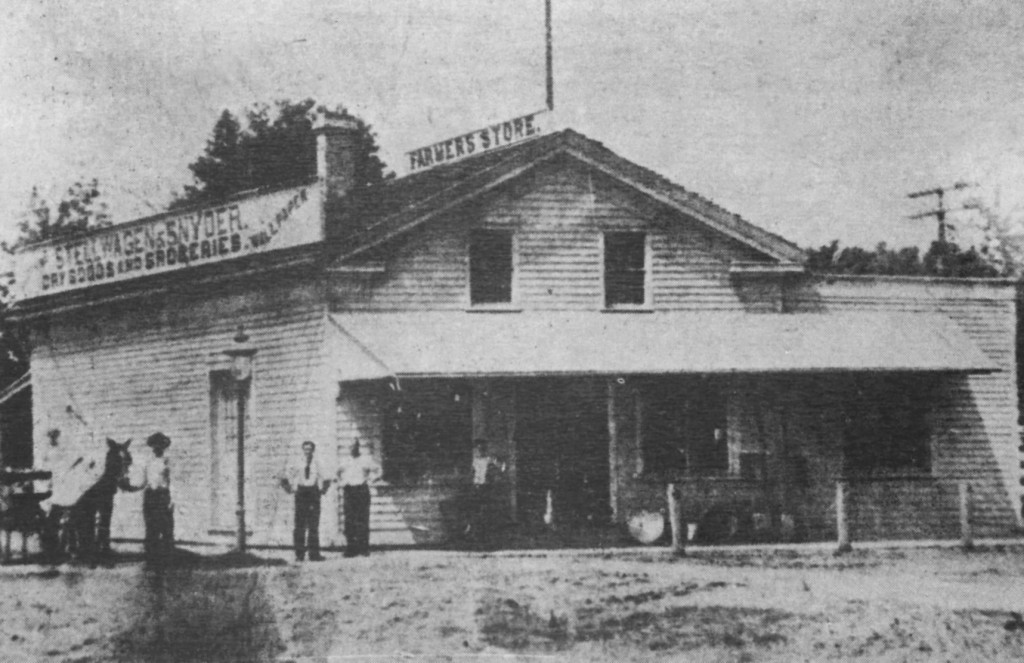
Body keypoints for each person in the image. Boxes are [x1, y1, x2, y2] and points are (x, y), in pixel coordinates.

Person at [280, 440, 331, 561]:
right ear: (303, 450)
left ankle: (314, 554)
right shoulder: (297, 463)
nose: (307, 451)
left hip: (313, 493)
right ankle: (299, 554)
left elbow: (327, 478)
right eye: (305, 449)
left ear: (313, 450)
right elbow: (285, 477)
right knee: (299, 525)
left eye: (310, 449)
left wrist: (322, 491)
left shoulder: (318, 463)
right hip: (301, 493)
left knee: (313, 525)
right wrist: (290, 489)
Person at [337, 439, 379, 557]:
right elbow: (336, 473)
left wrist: (371, 479)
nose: (352, 448)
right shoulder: (344, 461)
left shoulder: (366, 459)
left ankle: (363, 548)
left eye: (354, 446)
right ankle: (351, 548)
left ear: (358, 446)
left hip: (362, 490)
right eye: (350, 446)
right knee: (349, 520)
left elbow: (378, 470)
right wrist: (342, 482)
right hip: (349, 490)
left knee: (362, 519)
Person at [138, 432, 174, 561]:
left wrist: (172, 500)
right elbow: (143, 481)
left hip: (163, 495)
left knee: (165, 526)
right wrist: (134, 488)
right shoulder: (148, 462)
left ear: (164, 447)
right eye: (155, 445)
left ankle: (166, 556)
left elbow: (172, 481)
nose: (157, 448)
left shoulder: (167, 461)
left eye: (160, 445)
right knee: (151, 525)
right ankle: (151, 556)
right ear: (152, 447)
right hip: (150, 496)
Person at [466, 439, 505, 549]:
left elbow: (502, 468)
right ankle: (475, 536)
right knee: (475, 511)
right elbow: (471, 473)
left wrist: (495, 476)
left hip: (486, 488)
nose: (480, 450)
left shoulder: (489, 459)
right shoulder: (474, 460)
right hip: (476, 487)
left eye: (482, 448)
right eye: (478, 448)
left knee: (486, 512)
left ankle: (487, 538)